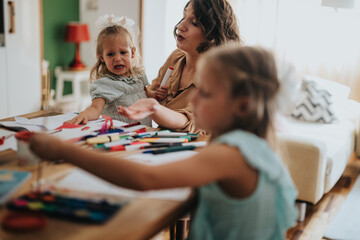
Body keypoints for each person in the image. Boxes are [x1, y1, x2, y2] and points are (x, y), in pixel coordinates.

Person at [29, 44, 298, 239]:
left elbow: (146, 179)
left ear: (241, 106)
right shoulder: (254, 145)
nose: (193, 100)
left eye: (205, 92)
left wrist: (63, 149)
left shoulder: (231, 153)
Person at [118, 0, 241, 134]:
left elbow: (192, 122)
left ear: (213, 34)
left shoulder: (219, 76)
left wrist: (154, 108)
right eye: (183, 17)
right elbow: (151, 93)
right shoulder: (176, 58)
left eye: (194, 22)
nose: (181, 26)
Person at [66, 15, 151, 126]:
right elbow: (95, 108)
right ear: (102, 57)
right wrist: (84, 114)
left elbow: (147, 94)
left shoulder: (139, 75)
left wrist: (156, 94)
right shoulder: (105, 84)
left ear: (133, 53)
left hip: (146, 133)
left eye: (123, 52)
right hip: (120, 136)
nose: (117, 58)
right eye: (110, 54)